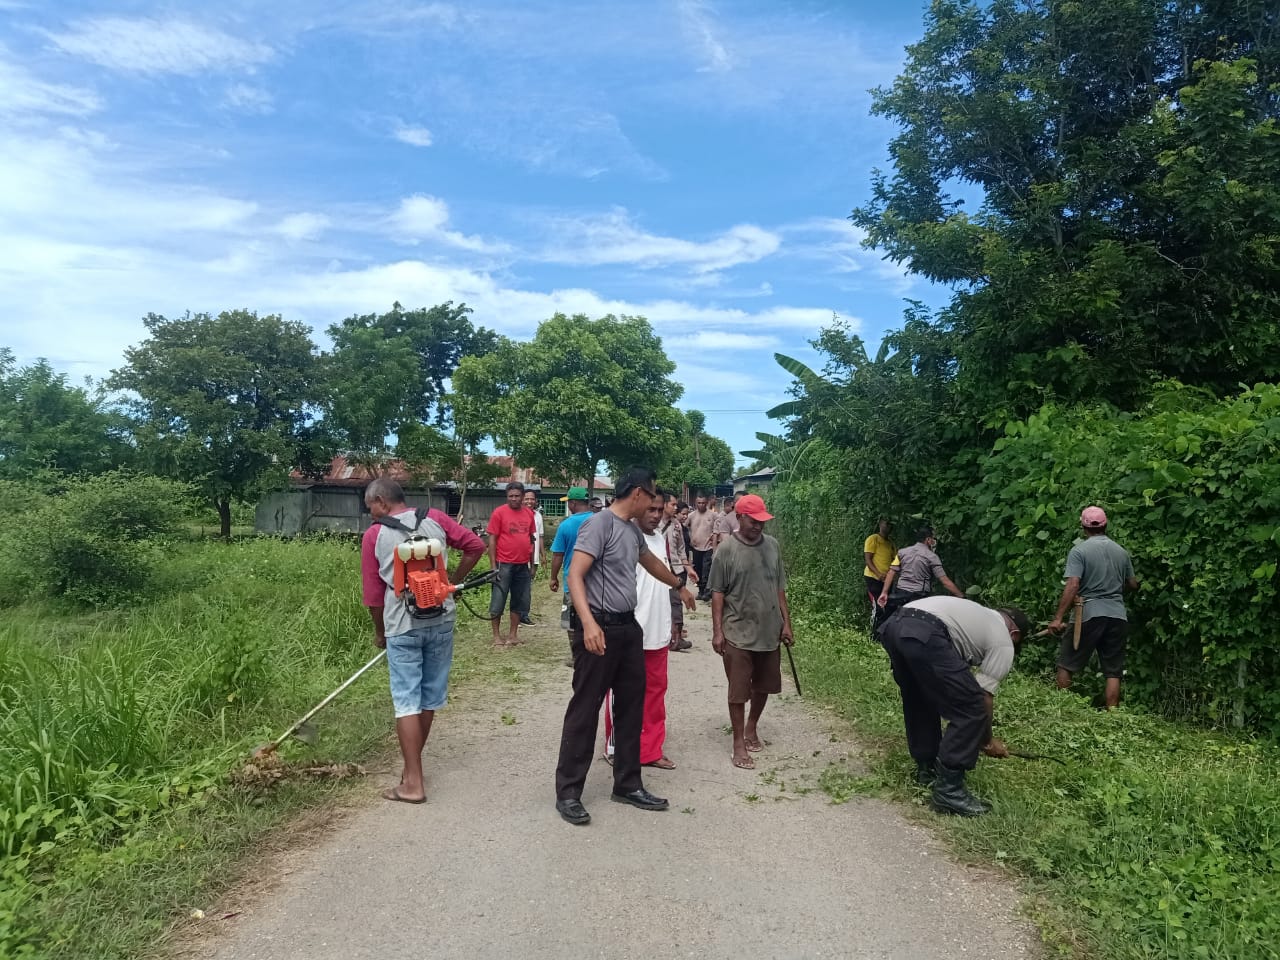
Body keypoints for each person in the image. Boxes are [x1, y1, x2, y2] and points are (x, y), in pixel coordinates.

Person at [554, 467, 697, 826]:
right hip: (598, 626)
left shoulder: (631, 531)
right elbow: (575, 573)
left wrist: (678, 583)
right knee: (585, 709)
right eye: (651, 496)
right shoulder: (599, 524)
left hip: (627, 627)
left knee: (631, 707)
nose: (655, 504)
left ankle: (628, 783)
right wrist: (587, 624)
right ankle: (569, 793)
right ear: (637, 493)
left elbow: (650, 564)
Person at [361, 478, 485, 804]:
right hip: (442, 618)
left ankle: (413, 782)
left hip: (401, 625)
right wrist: (452, 584)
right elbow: (476, 546)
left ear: (381, 502)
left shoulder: (375, 534)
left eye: (370, 506)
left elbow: (375, 596)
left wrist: (379, 632)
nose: (370, 513)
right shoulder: (436, 518)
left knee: (406, 702)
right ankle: (410, 772)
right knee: (429, 698)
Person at [877, 596, 1030, 816]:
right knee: (972, 706)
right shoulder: (1004, 641)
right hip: (926, 632)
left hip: (894, 625)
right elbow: (984, 697)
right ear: (1015, 634)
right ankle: (949, 792)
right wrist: (986, 741)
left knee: (920, 697)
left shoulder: (978, 615)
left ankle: (926, 769)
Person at [708, 494, 793, 771]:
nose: (758, 526)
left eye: (762, 521)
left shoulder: (773, 546)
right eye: (753, 521)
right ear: (741, 518)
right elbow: (717, 592)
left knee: (765, 684)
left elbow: (779, 587)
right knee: (738, 690)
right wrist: (717, 631)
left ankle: (752, 726)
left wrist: (786, 623)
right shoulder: (726, 550)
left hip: (769, 629)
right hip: (737, 631)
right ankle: (738, 743)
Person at [603, 496, 677, 769]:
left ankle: (651, 750)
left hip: (658, 631)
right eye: (651, 509)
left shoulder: (660, 539)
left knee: (656, 693)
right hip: (629, 631)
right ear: (638, 506)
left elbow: (662, 582)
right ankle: (614, 747)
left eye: (660, 510)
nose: (656, 515)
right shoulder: (623, 536)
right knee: (622, 694)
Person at [1047, 506, 1139, 709]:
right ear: (1106, 525)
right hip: (1117, 615)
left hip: (1088, 614)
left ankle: (1062, 709)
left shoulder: (1079, 551)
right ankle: (1112, 713)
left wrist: (1058, 618)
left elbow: (1073, 584)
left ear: (1083, 527)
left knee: (1067, 662)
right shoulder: (1121, 552)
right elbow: (1133, 584)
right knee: (1113, 670)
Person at [486, 482, 535, 647]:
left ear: (522, 496)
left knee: (519, 600)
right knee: (498, 600)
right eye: (510, 496)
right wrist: (493, 566)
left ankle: (513, 635)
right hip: (503, 563)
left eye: (516, 496)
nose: (513, 499)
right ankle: (496, 637)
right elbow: (492, 539)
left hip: (522, 565)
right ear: (507, 497)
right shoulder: (499, 513)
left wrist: (532, 565)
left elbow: (531, 539)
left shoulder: (528, 513)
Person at [878, 526, 964, 616]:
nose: (934, 542)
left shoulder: (902, 552)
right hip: (919, 596)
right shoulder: (932, 557)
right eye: (933, 539)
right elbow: (945, 581)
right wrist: (961, 596)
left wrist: (884, 592)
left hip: (900, 594)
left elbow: (891, 572)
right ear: (928, 540)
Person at [549, 486, 593, 657]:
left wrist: (553, 578)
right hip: (596, 582)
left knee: (571, 621)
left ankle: (577, 657)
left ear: (573, 503)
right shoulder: (599, 521)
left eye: (569, 502)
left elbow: (558, 556)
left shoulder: (565, 526)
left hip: (573, 584)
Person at [660, 492, 696, 650]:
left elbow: (681, 549)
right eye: (673, 505)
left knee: (676, 603)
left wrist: (688, 568)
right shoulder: (653, 523)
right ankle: (668, 636)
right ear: (664, 504)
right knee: (662, 602)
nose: (675, 507)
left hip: (676, 569)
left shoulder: (676, 525)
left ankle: (676, 637)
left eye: (676, 505)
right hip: (659, 569)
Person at [521, 490, 545, 625]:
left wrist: (543, 555)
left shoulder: (538, 516)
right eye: (527, 499)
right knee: (519, 587)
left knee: (528, 586)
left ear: (535, 501)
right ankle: (518, 614)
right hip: (521, 557)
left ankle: (524, 615)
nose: (529, 501)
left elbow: (540, 537)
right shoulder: (517, 514)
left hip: (533, 557)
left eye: (532, 499)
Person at [863, 518, 895, 611]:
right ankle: (876, 624)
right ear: (881, 524)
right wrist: (878, 574)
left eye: (891, 525)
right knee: (878, 606)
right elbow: (868, 560)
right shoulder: (873, 539)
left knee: (887, 605)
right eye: (887, 523)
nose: (889, 526)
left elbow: (894, 561)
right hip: (873, 578)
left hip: (886, 580)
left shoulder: (891, 543)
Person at [688, 494, 716, 601]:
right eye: (699, 503)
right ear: (696, 503)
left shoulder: (713, 515)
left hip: (708, 547)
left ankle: (707, 592)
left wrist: (714, 537)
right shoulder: (691, 516)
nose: (701, 505)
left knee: (706, 569)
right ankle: (700, 591)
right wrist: (690, 539)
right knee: (697, 569)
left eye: (703, 503)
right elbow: (685, 527)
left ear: (707, 502)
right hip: (696, 547)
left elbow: (718, 527)